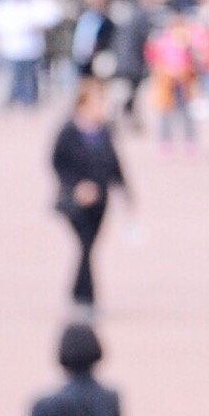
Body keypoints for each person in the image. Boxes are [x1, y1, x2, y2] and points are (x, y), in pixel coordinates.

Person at [47, 75, 134, 310]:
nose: (102, 108)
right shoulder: (68, 131)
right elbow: (58, 163)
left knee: (89, 248)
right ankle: (84, 297)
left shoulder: (104, 131)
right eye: (97, 103)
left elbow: (115, 163)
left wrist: (125, 192)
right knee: (85, 246)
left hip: (100, 200)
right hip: (75, 202)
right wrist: (77, 186)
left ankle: (80, 294)